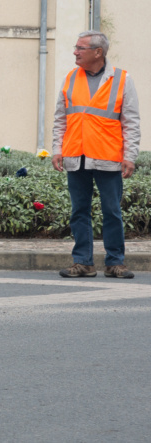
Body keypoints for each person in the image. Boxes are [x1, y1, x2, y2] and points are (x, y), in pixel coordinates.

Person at [53, 31, 141, 279]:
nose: (75, 52)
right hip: (75, 155)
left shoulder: (122, 79)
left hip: (109, 157)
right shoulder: (70, 78)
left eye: (80, 48)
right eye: (75, 47)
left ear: (98, 52)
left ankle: (115, 262)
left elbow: (131, 122)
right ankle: (83, 262)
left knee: (111, 211)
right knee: (78, 211)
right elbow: (60, 118)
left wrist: (130, 156)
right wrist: (57, 149)